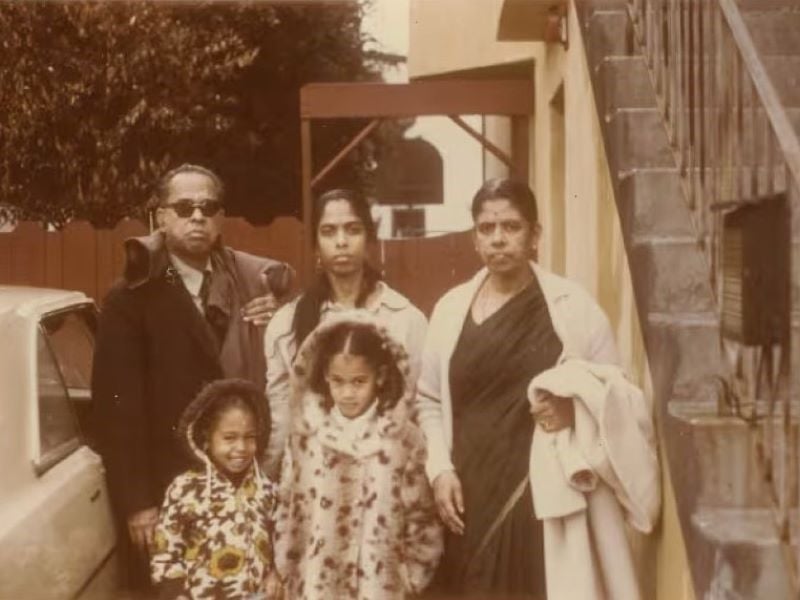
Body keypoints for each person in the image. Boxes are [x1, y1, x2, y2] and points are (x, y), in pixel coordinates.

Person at [416, 178, 658, 598]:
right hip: (468, 491)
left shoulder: (573, 307)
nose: (498, 240)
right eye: (486, 229)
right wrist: (439, 470)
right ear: (474, 237)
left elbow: (615, 392)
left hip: (542, 492)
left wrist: (575, 410)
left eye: (511, 227)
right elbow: (429, 399)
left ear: (534, 235)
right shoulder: (450, 309)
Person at [91, 163, 291, 590]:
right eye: (183, 207)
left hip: (239, 487)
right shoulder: (130, 297)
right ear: (160, 217)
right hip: (167, 495)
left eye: (208, 207)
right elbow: (118, 411)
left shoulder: (247, 285)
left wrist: (276, 319)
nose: (197, 217)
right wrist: (139, 503)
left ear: (220, 217)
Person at [274, 313, 442, 599]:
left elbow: (422, 517)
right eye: (338, 381)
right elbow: (287, 507)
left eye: (358, 381)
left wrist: (410, 578)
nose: (348, 393)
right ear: (325, 375)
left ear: (380, 376)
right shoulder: (305, 436)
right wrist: (286, 566)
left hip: (379, 588)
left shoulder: (403, 439)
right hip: (314, 587)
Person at [263, 188, 427, 478]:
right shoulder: (286, 325)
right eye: (328, 232)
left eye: (352, 230)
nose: (341, 242)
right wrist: (267, 482)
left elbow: (417, 409)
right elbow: (281, 418)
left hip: (384, 482)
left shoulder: (404, 319)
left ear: (369, 239)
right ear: (315, 243)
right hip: (312, 485)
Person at [151, 378, 281, 600]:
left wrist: (274, 574)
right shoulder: (184, 489)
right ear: (206, 439)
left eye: (249, 437)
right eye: (229, 438)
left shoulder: (267, 489)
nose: (241, 448)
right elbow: (165, 553)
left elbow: (279, 543)